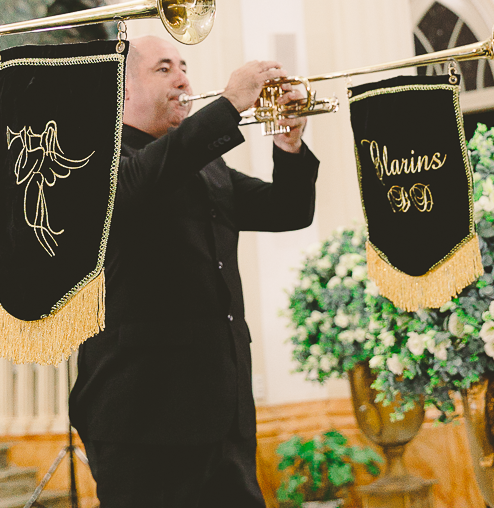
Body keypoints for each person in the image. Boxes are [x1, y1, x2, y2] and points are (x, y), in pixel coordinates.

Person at [69, 35, 318, 508]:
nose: (184, 79)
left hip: (222, 418)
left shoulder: (208, 166)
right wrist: (228, 105)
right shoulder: (97, 161)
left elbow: (288, 210)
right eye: (164, 69)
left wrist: (289, 144)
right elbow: (147, 178)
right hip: (142, 422)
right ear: (121, 90)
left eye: (184, 66)